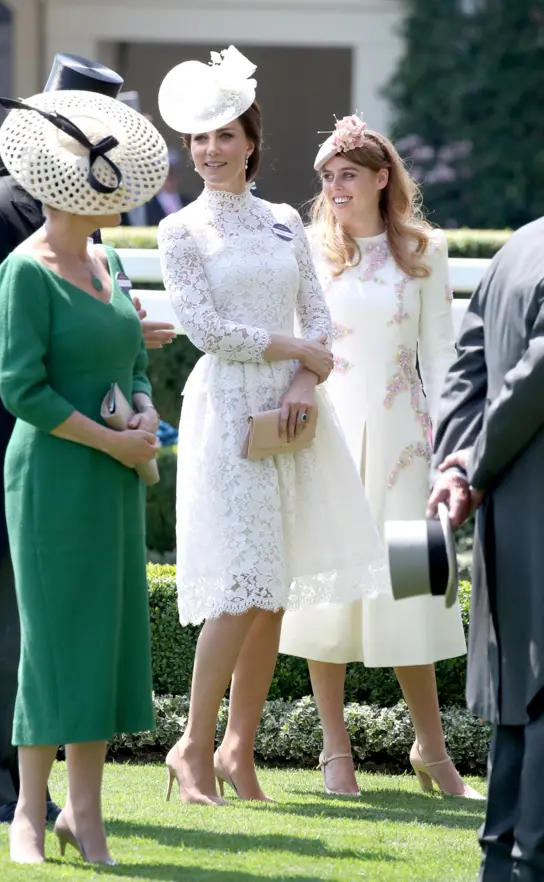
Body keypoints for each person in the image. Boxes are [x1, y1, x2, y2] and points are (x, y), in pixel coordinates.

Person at [0, 53, 175, 826]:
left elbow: (106, 329)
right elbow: (6, 349)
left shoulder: (102, 237)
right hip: (16, 441)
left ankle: (54, 795)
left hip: (91, 442)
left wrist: (130, 368)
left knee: (70, 617)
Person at [156, 47, 390, 806]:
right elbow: (205, 328)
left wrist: (300, 375)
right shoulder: (182, 230)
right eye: (199, 139)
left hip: (293, 410)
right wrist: (291, 348)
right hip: (227, 410)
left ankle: (236, 749)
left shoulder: (288, 220)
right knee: (240, 583)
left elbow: (319, 318)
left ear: (250, 141)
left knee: (275, 590)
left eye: (225, 135)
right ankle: (190, 746)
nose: (211, 151)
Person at [0, 85, 168, 864]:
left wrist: (140, 408)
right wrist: (113, 441)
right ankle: (32, 811)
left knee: (102, 640)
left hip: (111, 475)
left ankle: (85, 815)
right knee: (56, 643)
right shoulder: (23, 274)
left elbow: (130, 357)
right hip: (55, 478)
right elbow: (20, 388)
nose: (124, 198)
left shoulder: (109, 258)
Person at [279, 115, 481, 799]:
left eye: (348, 175)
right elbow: (297, 346)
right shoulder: (308, 248)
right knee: (325, 593)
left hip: (405, 446)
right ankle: (336, 752)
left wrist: (452, 452)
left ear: (380, 178)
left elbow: (448, 357)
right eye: (328, 177)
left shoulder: (425, 249)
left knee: (414, 590)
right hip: (329, 440)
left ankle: (433, 749)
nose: (335, 188)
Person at [428, 216, 544, 880]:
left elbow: (466, 371)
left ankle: (502, 862)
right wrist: (471, 469)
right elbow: (531, 383)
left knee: (518, 699)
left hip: (508, 519)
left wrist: (455, 466)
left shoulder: (515, 250)